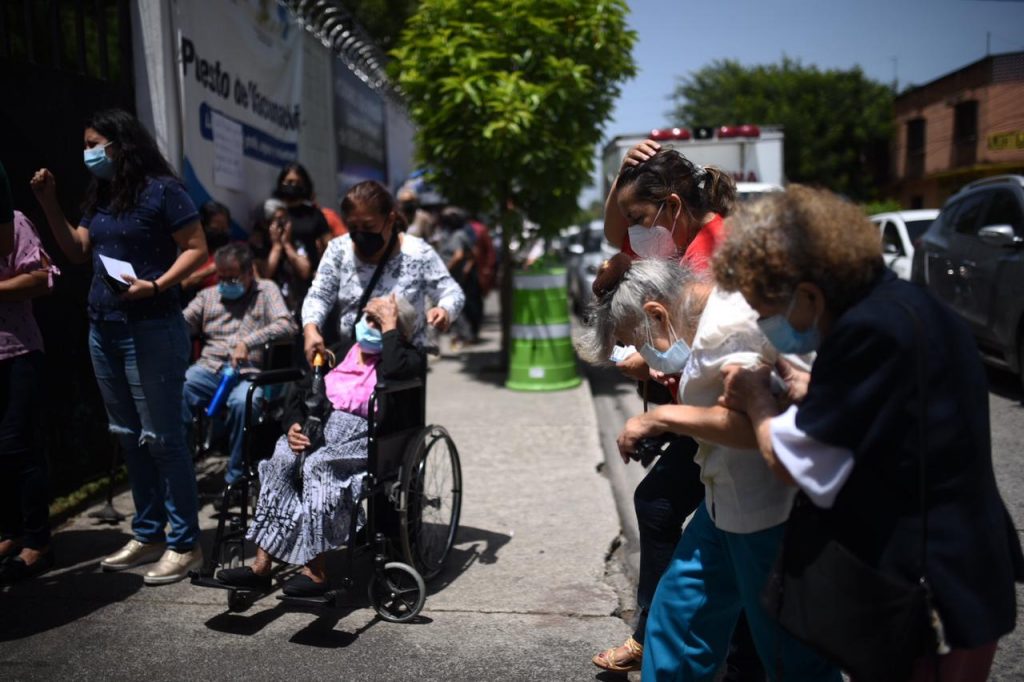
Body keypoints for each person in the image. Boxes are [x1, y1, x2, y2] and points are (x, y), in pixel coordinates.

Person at [713, 185, 1024, 681]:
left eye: (768, 312)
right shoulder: (909, 305)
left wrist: (755, 397)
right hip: (965, 564)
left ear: (810, 293)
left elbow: (792, 462)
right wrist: (812, 388)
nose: (766, 324)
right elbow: (898, 407)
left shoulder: (866, 329)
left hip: (928, 583)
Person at [580, 257, 839, 681]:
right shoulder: (708, 322)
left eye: (637, 342)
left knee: (790, 657)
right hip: (724, 502)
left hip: (770, 513)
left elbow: (757, 425)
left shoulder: (731, 331)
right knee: (677, 619)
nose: (644, 356)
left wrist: (659, 419)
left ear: (656, 313)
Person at [30, 108, 208, 585]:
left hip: (150, 327)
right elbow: (76, 249)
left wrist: (157, 284)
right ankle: (149, 530)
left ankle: (184, 542)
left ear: (121, 144)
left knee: (164, 438)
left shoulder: (163, 191)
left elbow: (197, 248)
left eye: (94, 143)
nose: (88, 152)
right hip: (103, 327)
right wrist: (49, 203)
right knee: (128, 435)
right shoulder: (103, 195)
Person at [215, 294, 423, 595]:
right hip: (320, 433)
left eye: (379, 323)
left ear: (396, 330)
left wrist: (390, 329)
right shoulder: (339, 352)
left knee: (317, 466)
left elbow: (393, 372)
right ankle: (261, 566)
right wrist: (293, 425)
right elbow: (303, 394)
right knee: (282, 459)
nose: (369, 327)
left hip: (364, 440)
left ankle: (316, 571)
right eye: (368, 320)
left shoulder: (405, 357)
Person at [301, 180, 464, 362]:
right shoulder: (338, 250)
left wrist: (444, 310)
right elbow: (319, 295)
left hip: (404, 368)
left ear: (390, 220)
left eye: (369, 226)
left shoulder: (418, 252)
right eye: (353, 227)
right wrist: (311, 328)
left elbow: (452, 292)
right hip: (353, 366)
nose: (360, 234)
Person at [182, 243, 297, 487]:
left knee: (242, 402)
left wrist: (249, 341)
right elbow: (183, 324)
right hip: (210, 368)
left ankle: (235, 477)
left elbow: (287, 325)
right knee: (181, 389)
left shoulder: (266, 290)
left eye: (232, 278)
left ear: (249, 273)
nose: (226, 283)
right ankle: (181, 467)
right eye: (221, 277)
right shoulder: (208, 296)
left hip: (249, 372)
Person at [0, 211, 59, 584]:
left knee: (17, 449)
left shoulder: (12, 221)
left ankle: (37, 541)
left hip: (14, 353)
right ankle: (8, 533)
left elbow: (43, 277)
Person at [256, 197, 314, 316]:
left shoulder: (295, 244)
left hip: (298, 305)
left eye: (285, 219)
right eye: (277, 220)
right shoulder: (258, 246)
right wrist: (276, 246)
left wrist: (287, 245)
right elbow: (265, 274)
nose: (283, 224)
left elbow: (305, 271)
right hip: (272, 309)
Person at [437, 206, 481, 347]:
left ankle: (466, 335)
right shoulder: (456, 234)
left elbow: (459, 254)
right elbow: (472, 253)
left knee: (453, 307)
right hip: (454, 277)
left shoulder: (457, 235)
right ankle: (462, 335)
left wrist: (447, 268)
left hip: (452, 277)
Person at [180, 200, 232, 296]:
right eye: (215, 229)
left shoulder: (232, 251)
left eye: (224, 229)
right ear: (203, 227)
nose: (220, 233)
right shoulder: (188, 252)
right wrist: (211, 269)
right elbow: (182, 284)